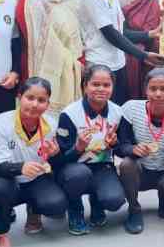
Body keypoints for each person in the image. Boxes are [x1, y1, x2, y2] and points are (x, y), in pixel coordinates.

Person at [77, 0, 164, 105]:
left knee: (120, 110)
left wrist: (150, 34)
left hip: (118, 62)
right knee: (101, 112)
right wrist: (143, 55)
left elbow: (121, 31)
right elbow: (110, 33)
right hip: (99, 62)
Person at [0, 77, 69, 247]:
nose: (34, 104)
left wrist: (56, 153)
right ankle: (1, 231)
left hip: (36, 178)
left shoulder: (51, 125)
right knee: (0, 188)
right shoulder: (0, 123)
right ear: (19, 97)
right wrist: (20, 168)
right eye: (30, 98)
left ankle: (34, 210)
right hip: (7, 177)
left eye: (41, 100)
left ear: (47, 104)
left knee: (56, 204)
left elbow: (56, 162)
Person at [116, 68, 164, 234]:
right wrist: (133, 149)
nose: (158, 94)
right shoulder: (131, 109)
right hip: (140, 171)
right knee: (127, 164)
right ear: (145, 90)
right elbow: (121, 146)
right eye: (153, 89)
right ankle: (134, 210)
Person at [55, 64, 126, 235]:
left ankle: (97, 202)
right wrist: (78, 148)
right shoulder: (69, 114)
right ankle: (75, 208)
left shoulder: (117, 112)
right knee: (78, 174)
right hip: (73, 167)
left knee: (114, 200)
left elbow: (122, 148)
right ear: (85, 85)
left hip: (102, 166)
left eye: (106, 85)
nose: (101, 89)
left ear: (112, 87)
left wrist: (114, 144)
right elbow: (59, 158)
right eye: (95, 84)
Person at [15, 0, 83, 115]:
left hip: (70, 72)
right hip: (35, 70)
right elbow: (33, 43)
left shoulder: (65, 3)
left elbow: (73, 39)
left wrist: (78, 62)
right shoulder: (29, 2)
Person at [119, 0, 164, 100]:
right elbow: (120, 33)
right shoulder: (119, 1)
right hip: (130, 57)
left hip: (157, 56)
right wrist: (149, 34)